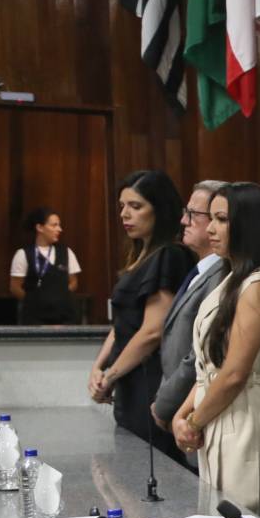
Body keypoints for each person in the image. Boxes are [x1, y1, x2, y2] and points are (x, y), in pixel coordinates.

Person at [171, 183, 260, 516]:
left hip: (245, 417)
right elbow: (210, 369)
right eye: (210, 218)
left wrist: (194, 422)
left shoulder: (259, 285)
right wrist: (181, 415)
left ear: (248, 225)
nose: (210, 228)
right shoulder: (232, 279)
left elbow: (235, 373)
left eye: (221, 219)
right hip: (219, 413)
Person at [89, 170, 196, 449]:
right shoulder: (140, 257)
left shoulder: (170, 255)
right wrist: (99, 367)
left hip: (149, 381)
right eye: (122, 206)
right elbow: (123, 323)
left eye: (136, 206)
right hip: (128, 379)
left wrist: (110, 374)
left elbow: (152, 331)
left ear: (159, 209)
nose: (125, 214)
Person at [153, 179, 229, 465]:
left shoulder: (223, 276)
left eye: (193, 214)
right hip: (183, 413)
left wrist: (165, 404)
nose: (184, 221)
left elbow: (198, 354)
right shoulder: (200, 270)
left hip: (199, 415)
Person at [9, 206, 82, 324]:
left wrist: (59, 296)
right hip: (34, 320)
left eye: (59, 225)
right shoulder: (23, 254)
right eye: (54, 225)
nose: (59, 229)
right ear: (40, 227)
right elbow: (15, 287)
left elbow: (73, 282)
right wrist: (35, 302)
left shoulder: (66, 252)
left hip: (64, 318)